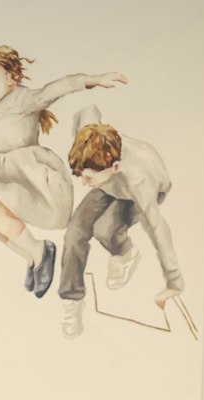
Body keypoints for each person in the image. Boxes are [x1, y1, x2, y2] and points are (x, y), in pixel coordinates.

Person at [0, 49, 127, 297]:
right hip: (14, 175)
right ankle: (34, 256)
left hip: (36, 177)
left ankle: (41, 252)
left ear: (11, 78)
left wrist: (93, 80)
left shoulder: (25, 99)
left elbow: (59, 87)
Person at [59, 118, 183, 338]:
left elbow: (157, 226)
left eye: (88, 177)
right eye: (82, 176)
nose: (83, 183)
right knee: (74, 233)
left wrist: (174, 281)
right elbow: (86, 111)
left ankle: (125, 253)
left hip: (139, 191)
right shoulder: (96, 157)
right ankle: (72, 300)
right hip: (107, 183)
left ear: (115, 167)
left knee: (105, 229)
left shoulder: (140, 179)